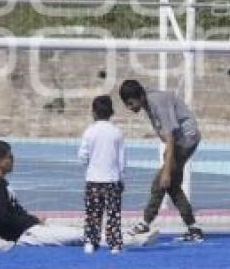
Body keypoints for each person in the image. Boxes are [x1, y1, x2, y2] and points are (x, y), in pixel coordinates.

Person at [119, 79, 204, 242]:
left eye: (131, 103)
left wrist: (166, 170)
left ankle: (145, 223)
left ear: (139, 96)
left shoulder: (157, 103)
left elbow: (170, 137)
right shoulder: (148, 102)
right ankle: (194, 228)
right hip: (180, 140)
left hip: (186, 140)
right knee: (172, 186)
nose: (130, 108)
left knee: (160, 183)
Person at [0, 140, 84, 247]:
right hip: (23, 234)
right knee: (81, 235)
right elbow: (2, 218)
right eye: (10, 157)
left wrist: (33, 220)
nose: (13, 160)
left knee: (76, 233)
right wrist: (31, 222)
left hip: (28, 230)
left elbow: (15, 211)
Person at [78, 95, 128, 254]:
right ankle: (114, 244)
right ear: (111, 112)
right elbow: (122, 159)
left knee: (92, 213)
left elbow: (82, 156)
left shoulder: (89, 132)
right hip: (112, 179)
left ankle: (90, 242)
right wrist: (121, 177)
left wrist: (90, 165)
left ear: (93, 112)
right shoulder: (117, 132)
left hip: (93, 179)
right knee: (113, 214)